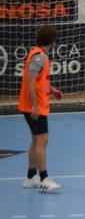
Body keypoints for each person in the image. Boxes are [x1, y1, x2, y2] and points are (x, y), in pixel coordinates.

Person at [19, 25, 64, 193]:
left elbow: (39, 80)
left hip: (35, 104)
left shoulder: (39, 54)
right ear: (52, 41)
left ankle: (31, 177)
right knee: (41, 140)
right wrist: (35, 106)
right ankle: (44, 178)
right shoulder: (39, 57)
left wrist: (52, 90)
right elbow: (30, 81)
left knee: (37, 139)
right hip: (34, 106)